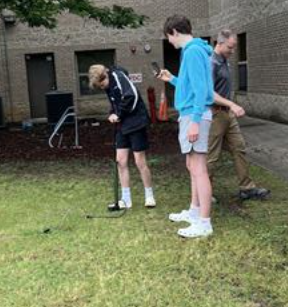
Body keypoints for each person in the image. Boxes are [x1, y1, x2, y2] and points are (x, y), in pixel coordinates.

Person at [158, 15, 215, 238]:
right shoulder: (193, 51)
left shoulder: (192, 51)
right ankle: (194, 211)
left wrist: (195, 122)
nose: (169, 42)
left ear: (174, 31)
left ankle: (204, 222)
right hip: (190, 113)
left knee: (199, 168)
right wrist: (172, 79)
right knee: (192, 165)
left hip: (194, 114)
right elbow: (190, 85)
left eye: (168, 37)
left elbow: (201, 90)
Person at [209, 30, 270, 201]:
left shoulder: (224, 61)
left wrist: (230, 106)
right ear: (220, 43)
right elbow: (208, 94)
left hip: (227, 114)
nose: (233, 51)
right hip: (215, 114)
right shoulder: (211, 63)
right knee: (211, 156)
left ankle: (246, 188)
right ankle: (205, 192)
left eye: (234, 47)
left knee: (239, 147)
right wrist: (231, 104)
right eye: (230, 47)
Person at [89, 64, 156, 209]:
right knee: (120, 161)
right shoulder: (108, 85)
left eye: (102, 85)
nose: (103, 88)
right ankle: (126, 199)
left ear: (105, 76)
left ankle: (149, 196)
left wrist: (118, 114)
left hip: (136, 122)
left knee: (140, 161)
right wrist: (112, 113)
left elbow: (132, 96)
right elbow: (115, 103)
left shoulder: (118, 77)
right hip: (122, 125)